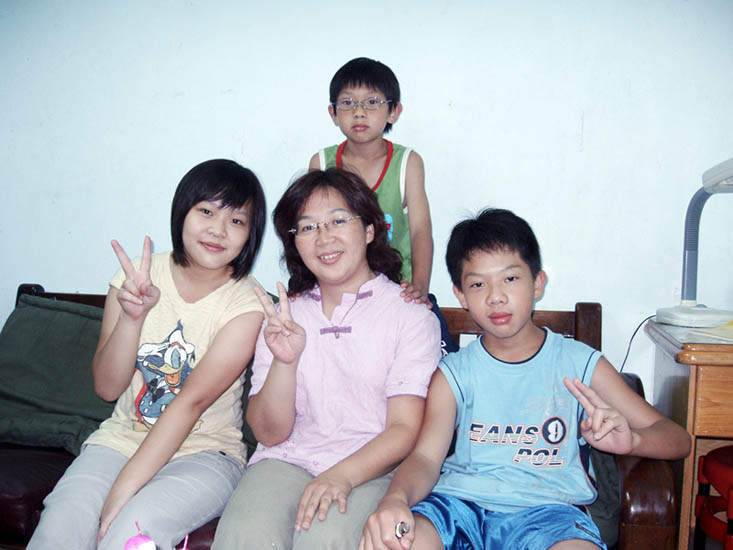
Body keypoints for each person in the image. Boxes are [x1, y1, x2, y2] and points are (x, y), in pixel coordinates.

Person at [359, 208, 692, 550]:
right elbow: (426, 459)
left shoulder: (580, 364)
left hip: (552, 517)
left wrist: (632, 441)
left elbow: (678, 439)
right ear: (461, 295)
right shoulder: (454, 374)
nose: (495, 296)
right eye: (478, 284)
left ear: (537, 283)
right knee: (395, 542)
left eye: (510, 279)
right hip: (458, 509)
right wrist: (394, 499)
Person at [27, 159, 268, 550]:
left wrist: (123, 492)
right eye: (206, 211)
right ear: (182, 212)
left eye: (236, 220)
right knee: (61, 526)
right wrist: (132, 318)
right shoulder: (136, 278)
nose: (218, 230)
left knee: (130, 533)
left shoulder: (247, 304)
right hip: (121, 440)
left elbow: (190, 404)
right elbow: (107, 388)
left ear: (250, 234)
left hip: (205, 454)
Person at [212, 168, 442, 550]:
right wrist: (285, 362)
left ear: (369, 230)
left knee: (325, 538)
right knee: (245, 535)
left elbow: (404, 429)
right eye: (307, 227)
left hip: (372, 466)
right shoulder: (285, 316)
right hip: (287, 460)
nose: (323, 238)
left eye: (338, 221)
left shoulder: (410, 316)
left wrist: (341, 476)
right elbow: (268, 434)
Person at [308, 58, 446, 326]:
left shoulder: (407, 163)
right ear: (333, 113)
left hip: (396, 290)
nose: (359, 112)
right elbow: (313, 230)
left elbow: (420, 231)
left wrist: (419, 285)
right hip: (339, 291)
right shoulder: (322, 163)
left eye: (372, 102)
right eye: (347, 102)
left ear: (393, 111)